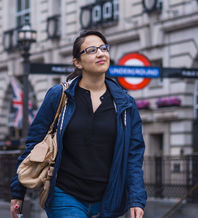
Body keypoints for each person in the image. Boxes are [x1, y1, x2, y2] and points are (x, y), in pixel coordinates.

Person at [10, 30, 146, 218]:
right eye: (91, 50)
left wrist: (136, 198)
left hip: (109, 198)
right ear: (77, 62)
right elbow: (33, 143)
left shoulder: (125, 104)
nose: (100, 53)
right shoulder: (60, 96)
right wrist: (18, 191)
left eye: (103, 48)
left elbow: (133, 156)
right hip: (65, 194)